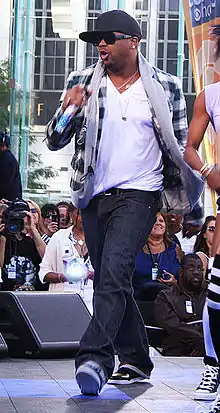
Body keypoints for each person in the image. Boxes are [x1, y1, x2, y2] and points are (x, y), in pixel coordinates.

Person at [45, 10, 203, 395]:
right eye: (95, 39)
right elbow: (53, 140)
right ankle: (137, 358)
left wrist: (193, 206)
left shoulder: (164, 86)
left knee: (113, 273)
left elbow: (182, 149)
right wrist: (69, 109)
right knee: (113, 279)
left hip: (141, 193)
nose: (100, 44)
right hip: (93, 195)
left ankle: (95, 359)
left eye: (108, 37)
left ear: (133, 41)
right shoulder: (81, 81)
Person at [184, 24, 220, 413]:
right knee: (217, 295)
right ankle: (214, 366)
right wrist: (210, 172)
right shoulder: (209, 95)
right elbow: (189, 148)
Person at [155, 254, 207, 357]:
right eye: (191, 268)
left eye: (200, 268)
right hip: (177, 350)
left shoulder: (210, 294)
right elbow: (173, 326)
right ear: (180, 271)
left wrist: (205, 344)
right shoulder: (165, 296)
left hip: (209, 350)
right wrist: (200, 340)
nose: (196, 272)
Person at [39, 205, 92, 292]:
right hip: (64, 298)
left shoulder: (101, 238)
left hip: (93, 300)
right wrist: (64, 277)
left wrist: (91, 275)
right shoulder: (58, 237)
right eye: (81, 214)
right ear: (71, 215)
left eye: (90, 214)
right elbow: (44, 273)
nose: (86, 218)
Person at [133, 212, 183, 300]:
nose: (158, 223)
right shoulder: (135, 249)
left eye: (161, 221)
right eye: (154, 221)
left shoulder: (175, 248)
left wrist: (175, 282)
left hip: (170, 302)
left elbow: (184, 277)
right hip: (140, 303)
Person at [0, 199, 45, 291]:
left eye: (22, 215)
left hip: (32, 295)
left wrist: (32, 229)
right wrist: (3, 237)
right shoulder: (4, 239)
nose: (18, 218)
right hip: (7, 296)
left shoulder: (33, 241)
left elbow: (47, 258)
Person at [0, 131, 22, 201]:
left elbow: (3, 184)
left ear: (3, 146)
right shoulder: (5, 158)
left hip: (8, 206)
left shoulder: (7, 161)